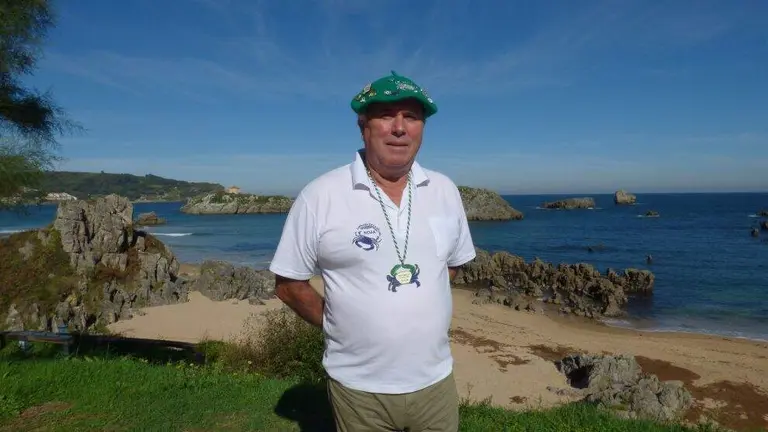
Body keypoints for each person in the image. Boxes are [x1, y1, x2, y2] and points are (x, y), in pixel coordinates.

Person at [269, 70, 477, 432]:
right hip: (358, 390)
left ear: (422, 128)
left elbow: (450, 266)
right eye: (386, 115)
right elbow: (288, 284)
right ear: (363, 125)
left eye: (411, 116)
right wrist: (339, 322)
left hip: (436, 383)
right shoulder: (321, 195)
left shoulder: (444, 190)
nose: (400, 127)